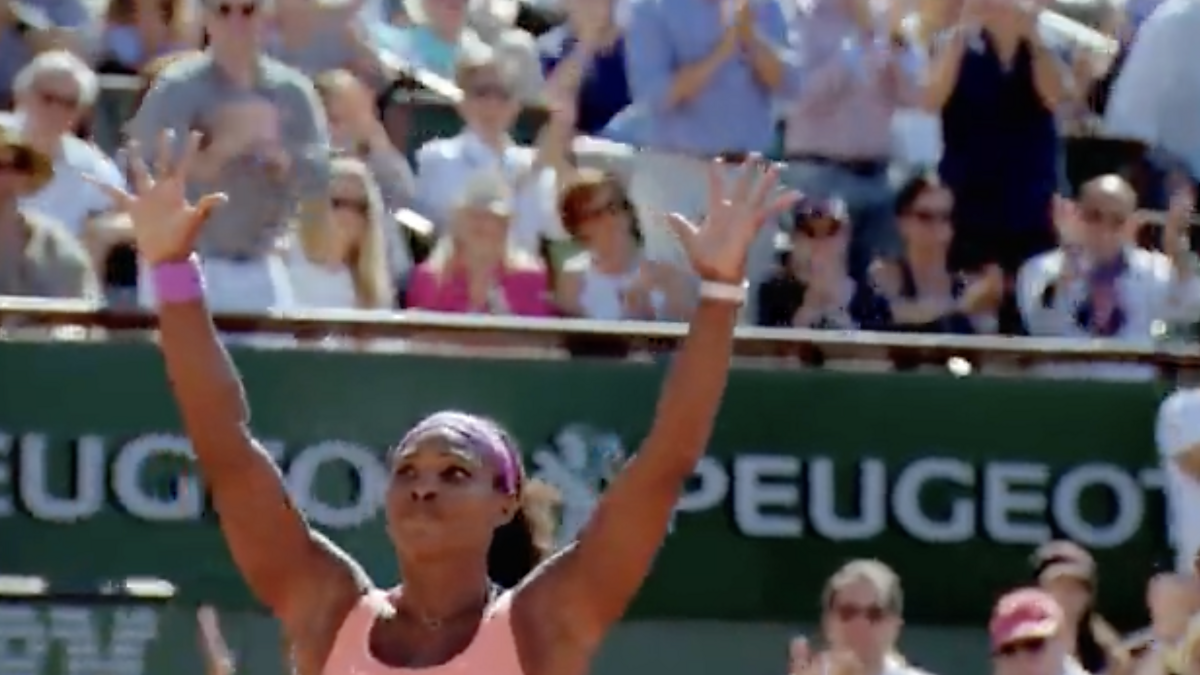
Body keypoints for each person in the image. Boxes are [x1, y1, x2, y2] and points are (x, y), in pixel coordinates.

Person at [92, 129, 796, 675]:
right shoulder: (327, 608)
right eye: (408, 470)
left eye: (455, 472)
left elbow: (666, 460)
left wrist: (719, 292)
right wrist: (171, 270)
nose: (423, 485)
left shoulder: (543, 623)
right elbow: (224, 446)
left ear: (505, 503)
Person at [127, 0, 331, 313]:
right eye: (223, 10)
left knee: (268, 346)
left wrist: (281, 160)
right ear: (206, 18)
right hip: (180, 261)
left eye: (248, 10)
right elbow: (148, 172)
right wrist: (224, 146)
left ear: (266, 16)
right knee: (178, 345)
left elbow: (318, 177)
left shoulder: (293, 92)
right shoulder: (175, 88)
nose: (236, 21)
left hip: (260, 264)